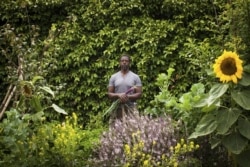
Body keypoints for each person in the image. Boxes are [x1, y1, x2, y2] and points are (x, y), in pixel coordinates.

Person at [108, 53, 142, 122]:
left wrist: (127, 97)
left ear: (129, 63)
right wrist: (118, 95)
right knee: (115, 129)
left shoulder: (135, 77)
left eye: (126, 61)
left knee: (133, 129)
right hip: (117, 107)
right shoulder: (113, 77)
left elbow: (139, 94)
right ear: (119, 62)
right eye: (122, 61)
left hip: (131, 107)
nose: (124, 62)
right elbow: (109, 94)